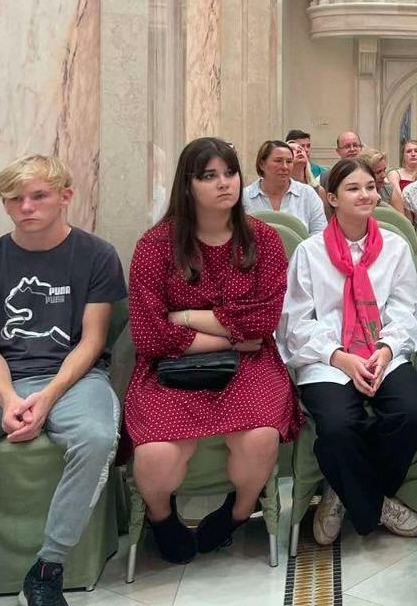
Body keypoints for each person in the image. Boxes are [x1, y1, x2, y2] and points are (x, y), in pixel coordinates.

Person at [125, 137, 301, 564]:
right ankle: (162, 518)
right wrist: (230, 334)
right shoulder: (156, 245)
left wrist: (185, 316)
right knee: (156, 453)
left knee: (259, 437)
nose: (224, 183)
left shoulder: (262, 240)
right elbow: (150, 335)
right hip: (172, 367)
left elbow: (262, 323)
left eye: (230, 173)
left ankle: (238, 513)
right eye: (209, 176)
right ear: (188, 186)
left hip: (248, 364)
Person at [0, 155, 126, 606]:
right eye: (15, 199)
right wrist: (8, 398)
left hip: (74, 379)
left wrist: (48, 397)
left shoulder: (96, 255)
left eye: (38, 196)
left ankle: (47, 569)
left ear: (65, 196)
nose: (26, 207)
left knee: (96, 438)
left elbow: (92, 341)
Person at [278, 157, 417, 545]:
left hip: (380, 352)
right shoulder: (310, 253)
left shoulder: (394, 248)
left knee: (412, 413)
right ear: (331, 198)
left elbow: (405, 309)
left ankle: (343, 490)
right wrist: (340, 357)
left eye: (370, 187)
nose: (365, 195)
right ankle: (374, 504)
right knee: (338, 426)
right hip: (327, 358)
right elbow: (297, 321)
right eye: (353, 188)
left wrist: (386, 349)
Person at [242, 140, 327, 234]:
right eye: (278, 161)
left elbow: (320, 233)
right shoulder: (245, 197)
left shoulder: (307, 194)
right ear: (262, 164)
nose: (285, 167)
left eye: (289, 161)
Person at [361, 148, 407, 216]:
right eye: (378, 172)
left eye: (384, 170)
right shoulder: (355, 194)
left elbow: (401, 220)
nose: (384, 176)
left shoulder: (389, 190)